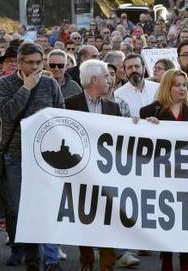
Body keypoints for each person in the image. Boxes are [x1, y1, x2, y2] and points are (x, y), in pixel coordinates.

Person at [0, 43, 65, 270]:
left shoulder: (49, 83)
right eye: (30, 62)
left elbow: (60, 115)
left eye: (38, 62)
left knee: (45, 207)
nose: (35, 67)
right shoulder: (4, 84)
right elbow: (7, 113)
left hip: (45, 158)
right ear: (19, 62)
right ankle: (32, 257)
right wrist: (25, 88)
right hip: (15, 156)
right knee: (22, 209)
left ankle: (51, 260)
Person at [134, 69, 188, 271]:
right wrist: (146, 127)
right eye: (177, 85)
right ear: (167, 87)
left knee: (187, 222)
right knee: (166, 221)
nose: (182, 88)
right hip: (161, 177)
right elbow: (139, 142)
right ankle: (166, 260)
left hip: (187, 176)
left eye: (184, 85)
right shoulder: (149, 112)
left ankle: (186, 262)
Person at [65, 60, 121, 271]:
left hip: (108, 174)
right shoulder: (69, 105)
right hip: (80, 174)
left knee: (109, 218)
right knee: (85, 218)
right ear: (94, 80)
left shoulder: (113, 108)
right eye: (106, 76)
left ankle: (107, 264)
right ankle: (87, 262)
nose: (110, 79)